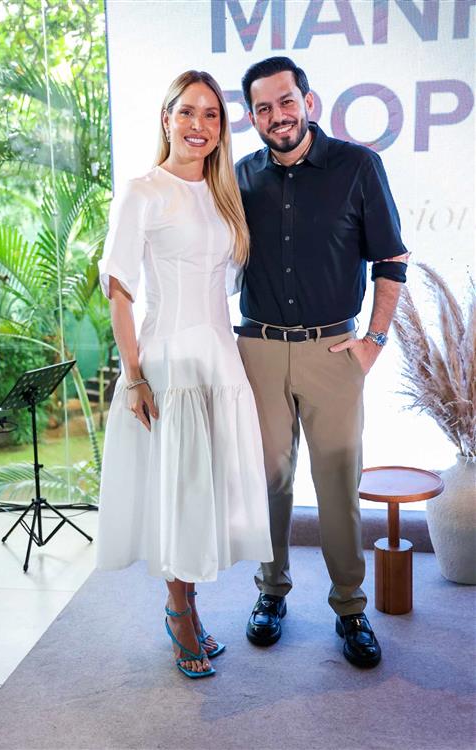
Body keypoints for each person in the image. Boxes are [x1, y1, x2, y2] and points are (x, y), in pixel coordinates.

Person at [96, 70, 273, 679]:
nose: (200, 125)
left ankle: (191, 607)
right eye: (188, 112)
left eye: (212, 115)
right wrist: (134, 377)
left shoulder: (225, 195)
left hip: (220, 359)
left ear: (222, 128)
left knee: (205, 491)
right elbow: (120, 291)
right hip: (170, 364)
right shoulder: (143, 191)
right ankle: (178, 613)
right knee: (181, 490)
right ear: (166, 118)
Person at [235, 57, 409, 668]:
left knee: (336, 482)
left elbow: (391, 260)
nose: (277, 116)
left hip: (333, 350)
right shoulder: (239, 177)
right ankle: (270, 591)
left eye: (286, 101)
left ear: (308, 102)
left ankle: (350, 607)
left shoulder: (358, 166)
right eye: (263, 107)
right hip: (256, 349)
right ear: (252, 116)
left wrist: (374, 341)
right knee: (269, 479)